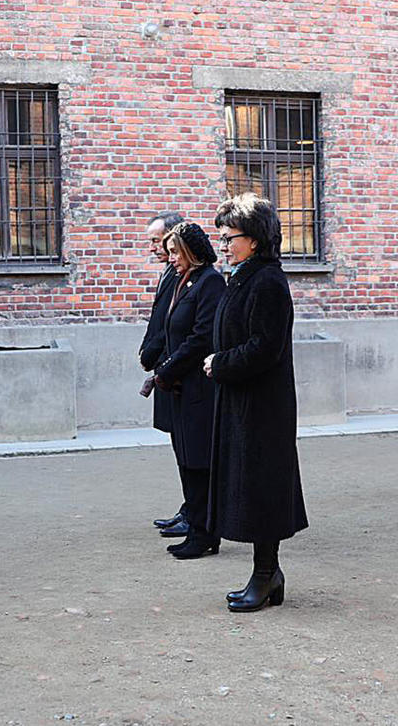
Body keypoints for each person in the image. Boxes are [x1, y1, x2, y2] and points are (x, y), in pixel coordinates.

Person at [203, 193, 308, 611]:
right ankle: (267, 574)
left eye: (231, 237)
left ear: (256, 239)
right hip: (243, 401)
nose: (225, 245)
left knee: (261, 489)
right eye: (223, 237)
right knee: (249, 485)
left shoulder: (268, 281)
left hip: (263, 408)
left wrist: (221, 363)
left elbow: (266, 346)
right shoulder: (246, 276)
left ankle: (265, 575)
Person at [152, 222, 225, 558]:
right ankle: (196, 526)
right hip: (180, 387)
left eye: (175, 253)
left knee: (198, 463)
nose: (171, 259)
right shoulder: (184, 281)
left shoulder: (209, 282)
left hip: (198, 388)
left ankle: (204, 533)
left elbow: (200, 337)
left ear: (191, 252)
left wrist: (167, 369)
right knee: (186, 460)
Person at [138, 212, 186, 535]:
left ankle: (194, 511)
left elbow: (173, 326)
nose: (153, 248)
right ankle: (189, 507)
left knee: (187, 446)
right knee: (178, 443)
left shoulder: (183, 274)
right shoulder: (169, 272)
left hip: (174, 369)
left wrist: (151, 353)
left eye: (157, 241)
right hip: (164, 368)